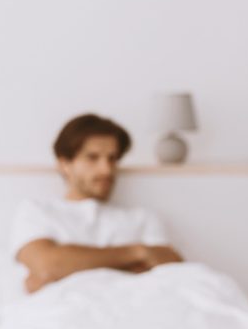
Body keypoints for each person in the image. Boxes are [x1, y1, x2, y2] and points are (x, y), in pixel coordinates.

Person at [11, 113, 184, 294]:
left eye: (112, 158)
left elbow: (175, 271)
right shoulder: (36, 211)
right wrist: (138, 253)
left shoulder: (142, 217)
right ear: (64, 164)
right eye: (92, 158)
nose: (106, 170)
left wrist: (67, 266)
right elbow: (47, 266)